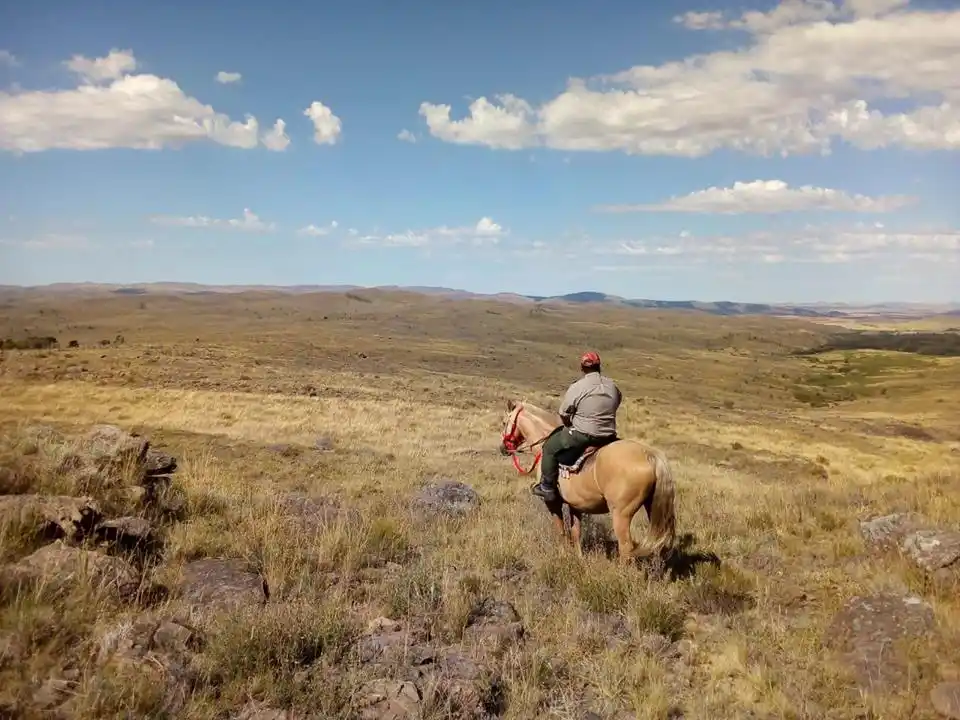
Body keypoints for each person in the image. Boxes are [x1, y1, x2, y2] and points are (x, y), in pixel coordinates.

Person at [531, 351, 623, 503]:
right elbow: (618, 401)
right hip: (609, 435)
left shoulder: (578, 386)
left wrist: (569, 423)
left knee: (549, 447)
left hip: (584, 434)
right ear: (599, 367)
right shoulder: (612, 385)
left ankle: (547, 487)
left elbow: (563, 412)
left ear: (582, 368)